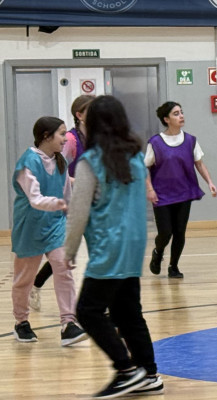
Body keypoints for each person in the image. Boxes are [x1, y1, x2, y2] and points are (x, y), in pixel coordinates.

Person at [66, 95, 162, 397]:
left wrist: (68, 252)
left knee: (88, 311)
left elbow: (78, 212)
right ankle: (149, 373)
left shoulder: (91, 162)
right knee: (127, 312)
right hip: (134, 245)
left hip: (109, 247)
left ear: (91, 123)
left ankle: (126, 370)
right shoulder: (135, 158)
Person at [10, 116, 88, 346]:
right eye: (62, 134)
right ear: (46, 136)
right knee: (24, 280)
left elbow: (67, 198)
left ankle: (68, 324)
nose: (66, 139)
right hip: (30, 227)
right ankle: (21, 322)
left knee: (63, 268)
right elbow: (34, 199)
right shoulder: (28, 162)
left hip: (55, 224)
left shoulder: (61, 162)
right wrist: (58, 204)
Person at [30, 94, 95, 310]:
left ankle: (99, 304)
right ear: (80, 115)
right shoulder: (71, 140)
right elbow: (57, 171)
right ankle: (36, 284)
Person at [144, 101, 217, 279]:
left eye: (181, 112)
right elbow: (144, 167)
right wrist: (150, 189)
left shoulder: (191, 140)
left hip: (184, 192)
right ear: (166, 119)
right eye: (176, 113)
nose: (181, 116)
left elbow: (199, 164)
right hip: (161, 194)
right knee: (165, 232)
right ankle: (158, 252)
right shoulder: (155, 142)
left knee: (179, 232)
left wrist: (209, 182)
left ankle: (173, 266)